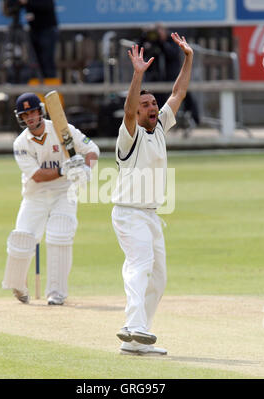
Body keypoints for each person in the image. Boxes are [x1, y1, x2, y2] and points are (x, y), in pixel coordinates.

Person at [111, 33, 193, 356]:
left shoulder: (159, 127)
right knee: (139, 263)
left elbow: (179, 92)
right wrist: (138, 75)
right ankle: (134, 326)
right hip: (128, 212)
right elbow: (129, 110)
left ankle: (136, 342)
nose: (152, 107)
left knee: (158, 277)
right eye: (146, 105)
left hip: (150, 214)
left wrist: (188, 57)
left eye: (153, 103)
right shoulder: (128, 135)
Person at [2, 93, 99, 305]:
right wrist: (65, 170)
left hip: (64, 192)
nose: (30, 118)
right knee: (22, 239)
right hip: (35, 194)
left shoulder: (62, 129)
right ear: (21, 118)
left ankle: (56, 294)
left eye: (32, 112)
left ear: (40, 111)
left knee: (60, 234)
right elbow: (37, 175)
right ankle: (18, 285)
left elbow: (91, 150)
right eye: (25, 114)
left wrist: (85, 169)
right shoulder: (20, 144)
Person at [139, 24, 199, 126]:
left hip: (173, 79)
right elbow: (141, 51)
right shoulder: (150, 43)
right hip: (156, 80)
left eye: (159, 31)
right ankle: (156, 124)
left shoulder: (170, 41)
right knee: (158, 104)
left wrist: (161, 42)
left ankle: (195, 120)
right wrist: (144, 37)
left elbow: (171, 54)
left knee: (184, 97)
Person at [18, 0, 58, 78]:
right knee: (35, 60)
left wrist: (28, 2)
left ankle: (50, 83)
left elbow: (46, 5)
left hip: (47, 29)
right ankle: (37, 81)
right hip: (34, 29)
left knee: (47, 60)